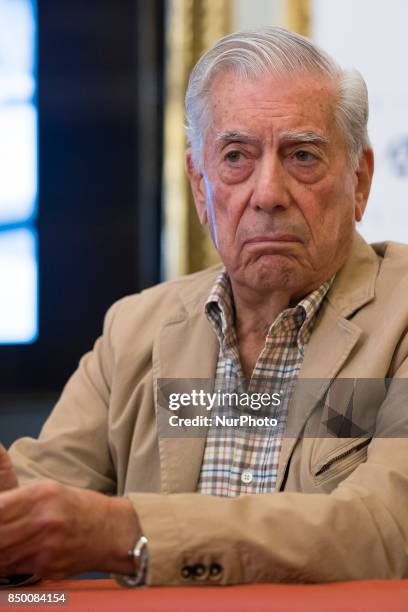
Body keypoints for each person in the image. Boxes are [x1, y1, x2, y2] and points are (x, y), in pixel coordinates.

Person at [1, 26, 408, 586]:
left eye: (303, 155)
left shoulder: (401, 320)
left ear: (359, 180)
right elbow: (37, 506)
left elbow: (382, 530)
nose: (267, 193)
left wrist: (128, 532)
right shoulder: (135, 328)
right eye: (236, 156)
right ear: (199, 184)